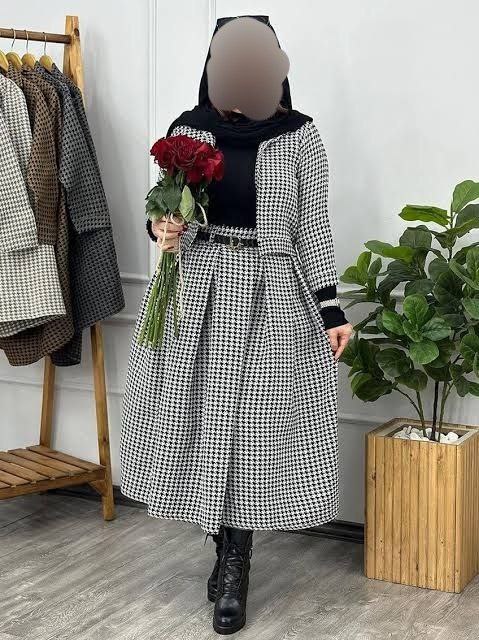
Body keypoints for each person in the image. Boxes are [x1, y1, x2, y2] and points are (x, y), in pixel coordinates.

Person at [120, 14, 353, 635]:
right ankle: (225, 550)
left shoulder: (300, 137)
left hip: (271, 294)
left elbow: (313, 228)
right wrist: (162, 227)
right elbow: (163, 209)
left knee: (254, 430)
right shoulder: (188, 130)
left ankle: (235, 561)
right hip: (196, 287)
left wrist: (331, 309)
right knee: (202, 424)